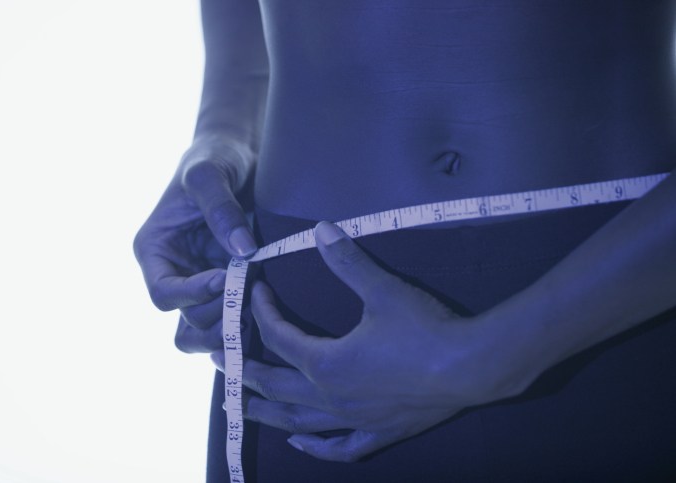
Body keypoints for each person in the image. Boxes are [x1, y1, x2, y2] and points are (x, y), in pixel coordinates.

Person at [134, 0, 676, 481]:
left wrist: (488, 358)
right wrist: (224, 131)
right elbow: (250, 57)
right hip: (321, 320)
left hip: (622, 283)